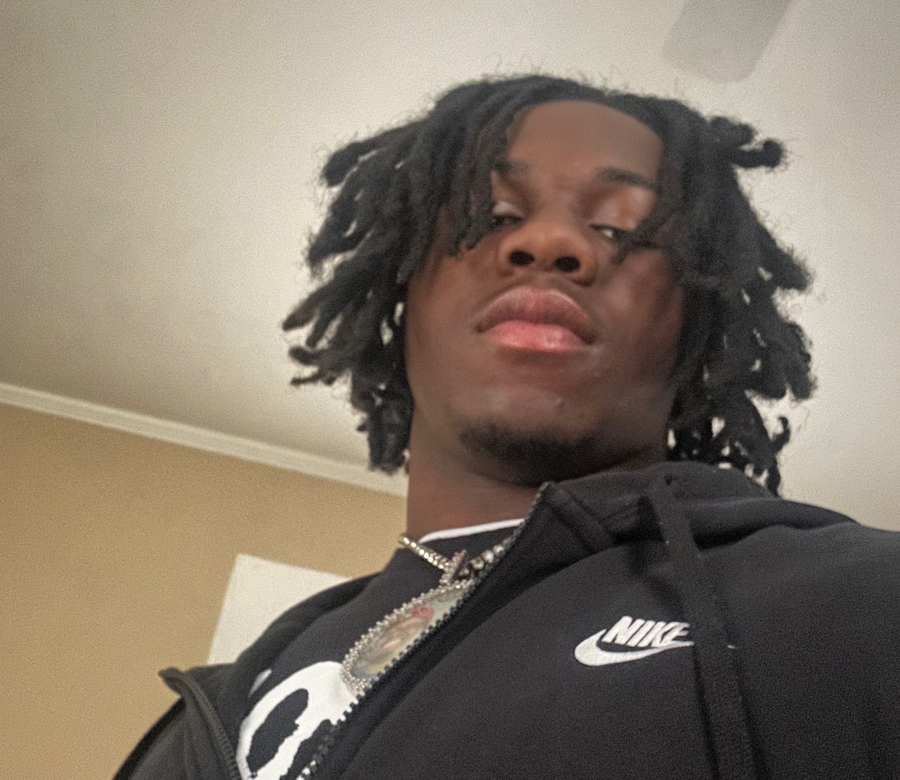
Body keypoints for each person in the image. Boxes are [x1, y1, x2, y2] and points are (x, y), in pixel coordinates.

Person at [115, 75, 900, 780]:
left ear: (697, 325)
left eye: (621, 228)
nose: (549, 242)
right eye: (493, 215)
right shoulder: (202, 721)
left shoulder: (856, 604)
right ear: (401, 293)